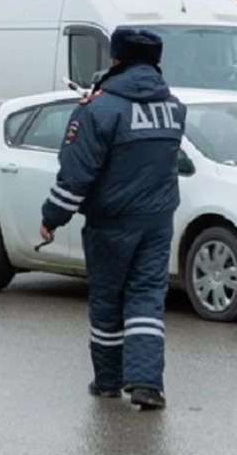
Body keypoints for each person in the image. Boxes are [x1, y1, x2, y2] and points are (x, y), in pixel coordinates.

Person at [38, 27, 186, 410]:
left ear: (116, 60)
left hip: (112, 223)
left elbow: (76, 173)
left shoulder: (98, 109)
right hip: (157, 222)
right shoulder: (173, 108)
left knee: (107, 300)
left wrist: (52, 217)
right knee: (147, 300)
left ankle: (108, 381)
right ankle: (148, 384)